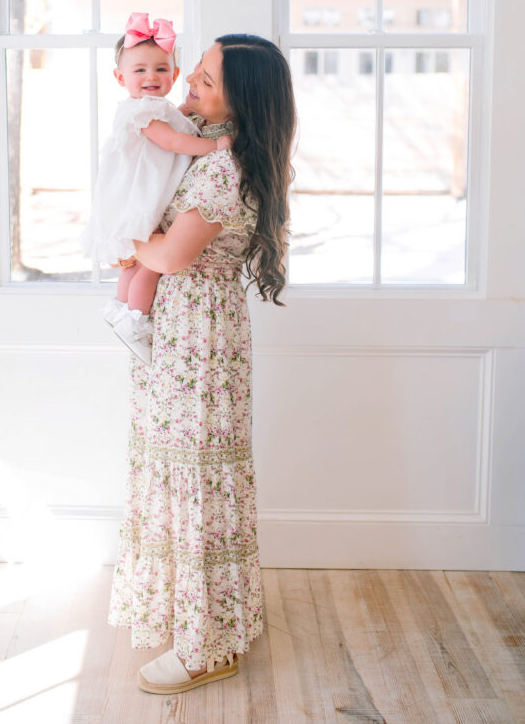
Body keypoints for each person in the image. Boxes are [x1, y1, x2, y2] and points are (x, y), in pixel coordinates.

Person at [107, 34, 296, 695]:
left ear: (242, 99)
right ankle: (200, 616)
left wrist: (114, 229)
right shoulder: (216, 152)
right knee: (183, 476)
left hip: (199, 341)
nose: (188, 82)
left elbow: (166, 257)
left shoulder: (224, 167)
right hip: (192, 334)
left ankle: (205, 646)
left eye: (206, 80)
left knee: (196, 484)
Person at [81, 13, 231, 363]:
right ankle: (135, 321)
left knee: (132, 267)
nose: (151, 77)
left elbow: (175, 123)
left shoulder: (155, 108)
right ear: (120, 78)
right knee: (147, 268)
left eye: (161, 69)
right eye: (139, 71)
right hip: (142, 194)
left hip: (141, 193)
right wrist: (216, 148)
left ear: (174, 75)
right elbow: (174, 142)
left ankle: (120, 309)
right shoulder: (144, 112)